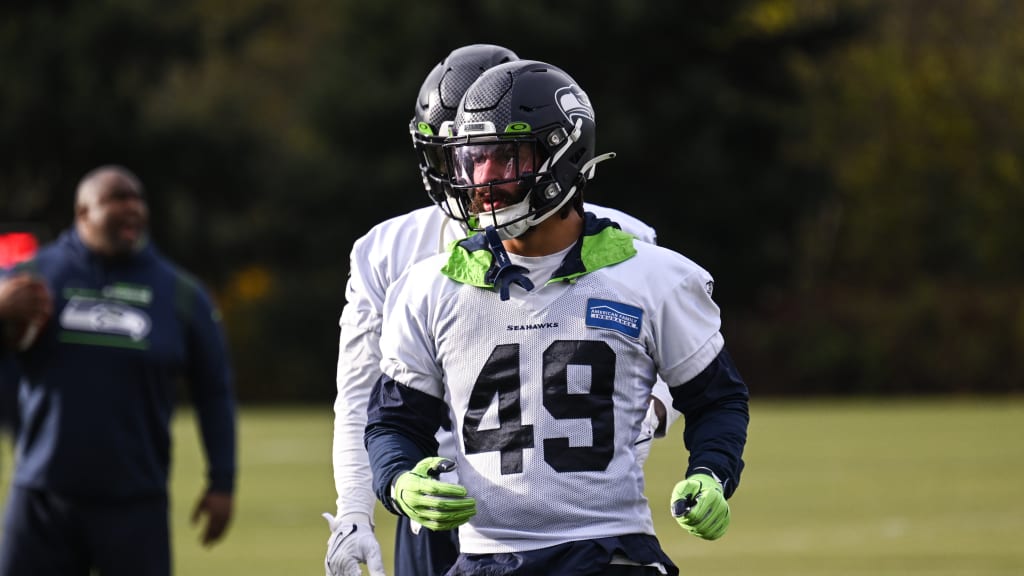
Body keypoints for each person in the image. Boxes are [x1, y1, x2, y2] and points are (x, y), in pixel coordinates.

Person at [364, 59, 750, 575]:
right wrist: (398, 480)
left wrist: (711, 473)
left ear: (563, 153)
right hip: (483, 558)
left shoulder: (653, 278)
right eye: (474, 159)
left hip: (609, 551)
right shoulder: (429, 286)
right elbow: (393, 421)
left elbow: (717, 398)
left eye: (504, 158)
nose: (483, 180)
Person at [0, 165, 237, 576]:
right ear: (83, 211)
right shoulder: (29, 278)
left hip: (136, 503)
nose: (133, 208)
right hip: (42, 498)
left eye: (138, 199)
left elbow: (214, 389)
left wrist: (222, 481)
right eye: (117, 199)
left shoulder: (181, 294)